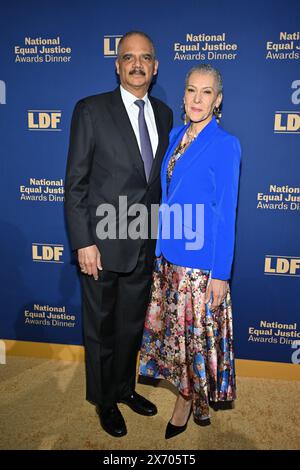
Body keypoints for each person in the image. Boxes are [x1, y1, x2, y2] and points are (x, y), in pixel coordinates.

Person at [64, 31, 173, 438]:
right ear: (117, 64)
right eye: (129, 57)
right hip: (101, 245)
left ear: (155, 66)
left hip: (144, 242)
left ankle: (125, 388)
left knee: (130, 327)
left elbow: (154, 184)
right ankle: (104, 399)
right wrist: (83, 241)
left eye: (145, 57)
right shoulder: (91, 110)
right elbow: (75, 183)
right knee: (101, 327)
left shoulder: (163, 113)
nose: (137, 64)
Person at [138, 64, 241, 439]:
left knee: (191, 339)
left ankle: (185, 403)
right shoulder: (175, 134)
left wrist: (222, 273)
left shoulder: (226, 144)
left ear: (218, 100)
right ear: (183, 96)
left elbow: (226, 211)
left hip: (200, 265)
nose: (198, 99)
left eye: (207, 92)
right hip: (168, 257)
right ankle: (183, 394)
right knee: (174, 338)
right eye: (192, 91)